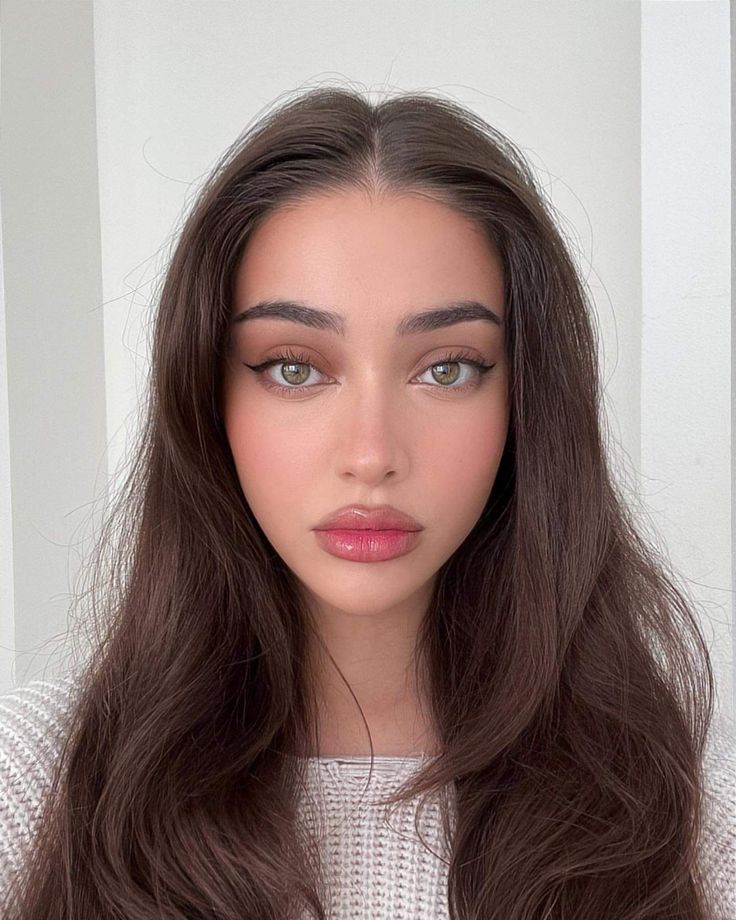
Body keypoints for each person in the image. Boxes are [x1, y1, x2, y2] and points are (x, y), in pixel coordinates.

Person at [0, 86, 733, 919]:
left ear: (528, 404)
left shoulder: (686, 812)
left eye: (447, 367)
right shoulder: (34, 785)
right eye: (294, 367)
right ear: (207, 401)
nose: (372, 456)